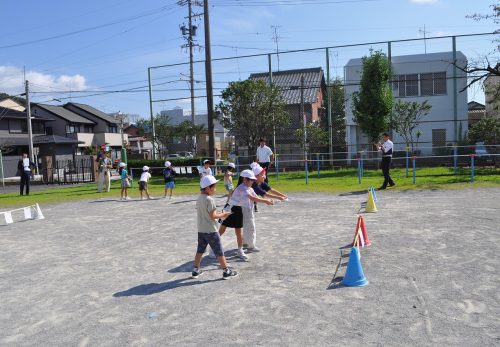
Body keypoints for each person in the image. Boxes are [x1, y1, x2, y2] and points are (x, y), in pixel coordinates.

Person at [218, 169, 273, 260]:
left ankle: (240, 251)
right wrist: (266, 201)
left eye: (252, 180)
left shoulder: (250, 188)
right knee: (222, 230)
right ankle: (212, 249)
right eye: (250, 180)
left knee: (238, 232)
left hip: (239, 210)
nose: (252, 181)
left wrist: (270, 200)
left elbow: (256, 197)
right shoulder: (241, 188)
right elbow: (251, 198)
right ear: (244, 179)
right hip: (229, 209)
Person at [192, 175, 238, 280]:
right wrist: (224, 215)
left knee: (200, 251)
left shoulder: (199, 198)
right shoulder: (210, 200)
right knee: (219, 251)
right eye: (214, 187)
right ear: (208, 188)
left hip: (201, 230)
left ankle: (195, 270)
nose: (215, 189)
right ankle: (226, 271)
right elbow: (212, 216)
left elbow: (207, 213)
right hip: (211, 231)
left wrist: (219, 213)